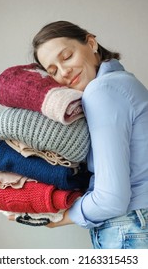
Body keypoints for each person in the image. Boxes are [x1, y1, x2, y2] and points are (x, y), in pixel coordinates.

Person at [32, 20, 148, 249]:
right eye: (53, 71)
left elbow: (111, 199)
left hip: (127, 228)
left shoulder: (101, 90)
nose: (64, 72)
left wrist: (59, 218)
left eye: (66, 56)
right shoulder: (127, 83)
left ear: (91, 42)